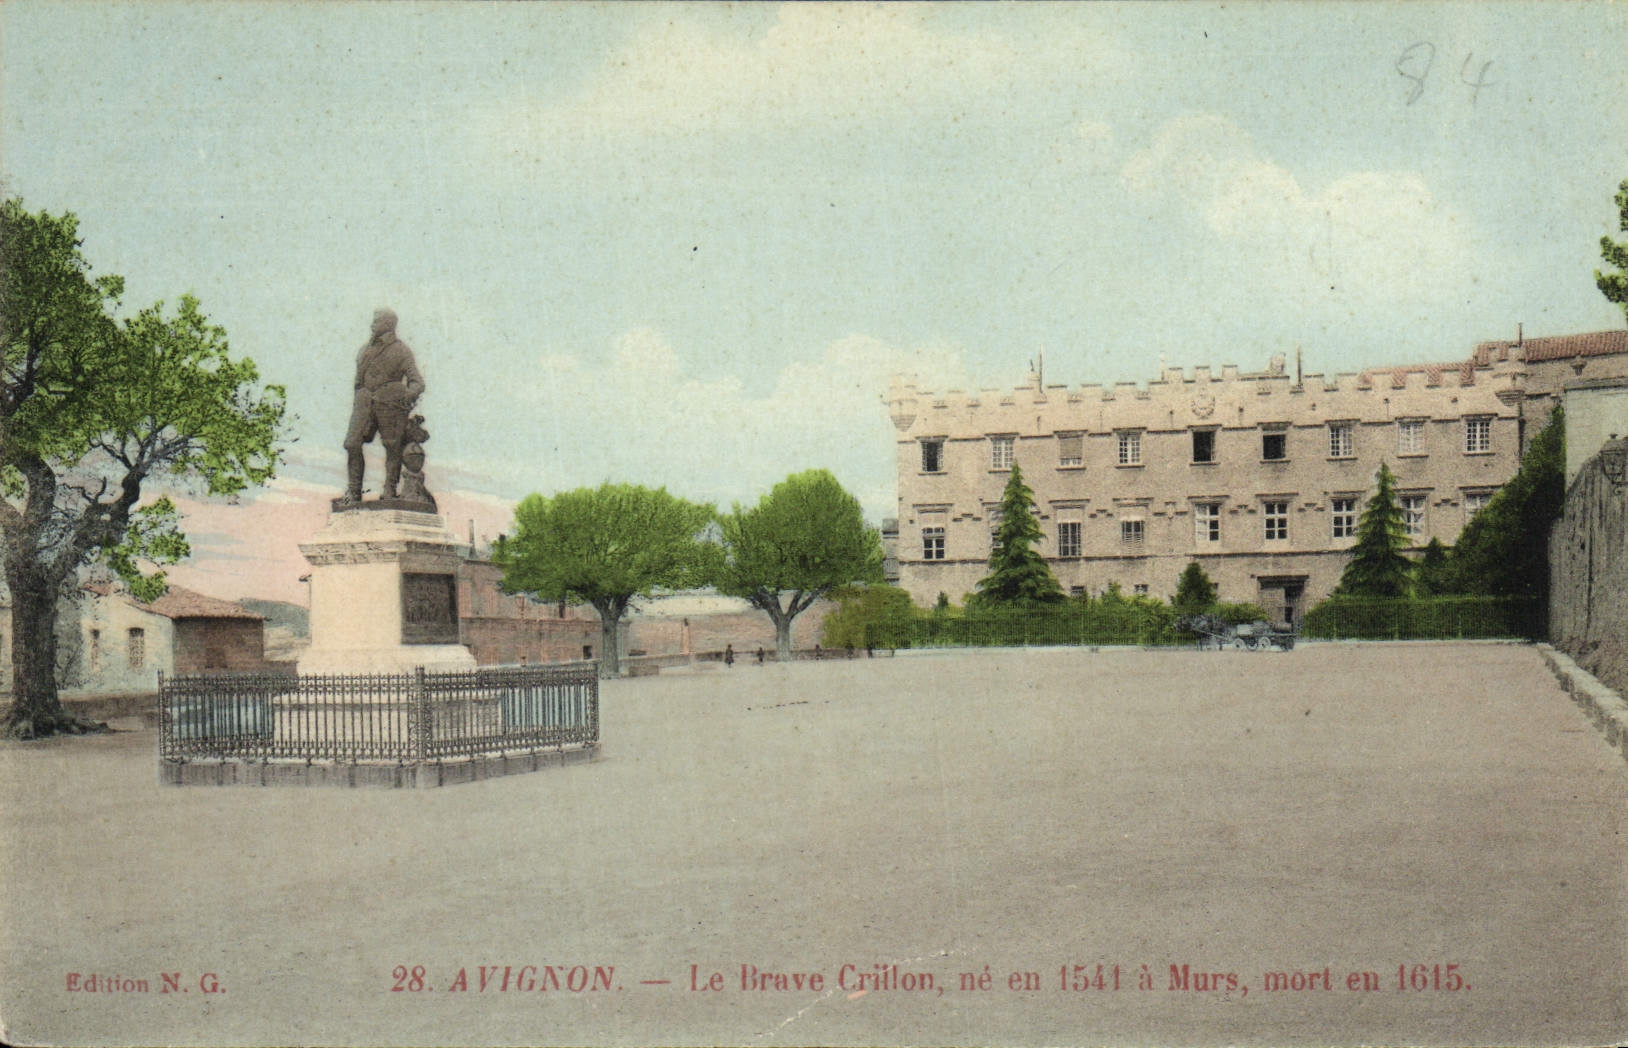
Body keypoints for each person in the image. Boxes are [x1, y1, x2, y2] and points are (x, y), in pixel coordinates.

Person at [342, 308, 425, 503]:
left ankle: (389, 489)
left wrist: (406, 396)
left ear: (388, 324)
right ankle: (354, 491)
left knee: (392, 446)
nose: (372, 324)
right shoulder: (365, 350)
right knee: (351, 443)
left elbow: (417, 382)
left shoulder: (401, 350)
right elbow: (358, 381)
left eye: (377, 321)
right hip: (364, 404)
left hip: (390, 404)